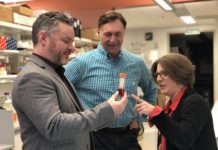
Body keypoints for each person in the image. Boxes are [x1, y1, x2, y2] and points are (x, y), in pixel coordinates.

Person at [11, 11, 128, 150]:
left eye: (72, 42)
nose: (72, 48)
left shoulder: (55, 71)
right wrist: (107, 110)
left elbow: (72, 115)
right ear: (43, 38)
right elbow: (55, 126)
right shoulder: (32, 77)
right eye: (66, 41)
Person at [64, 11, 157, 150]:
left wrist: (140, 118)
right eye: (108, 34)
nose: (113, 40)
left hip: (128, 136)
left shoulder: (136, 63)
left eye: (118, 34)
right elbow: (58, 88)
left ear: (124, 33)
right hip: (93, 137)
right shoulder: (81, 63)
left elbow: (151, 90)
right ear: (98, 33)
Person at [132, 53, 218, 150]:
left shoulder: (195, 102)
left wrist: (156, 113)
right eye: (157, 74)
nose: (158, 79)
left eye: (164, 74)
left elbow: (184, 139)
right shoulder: (172, 104)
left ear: (180, 74)